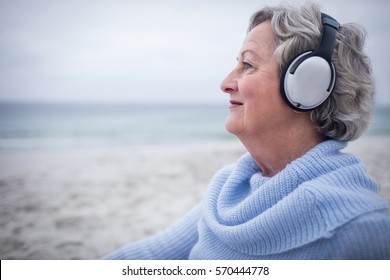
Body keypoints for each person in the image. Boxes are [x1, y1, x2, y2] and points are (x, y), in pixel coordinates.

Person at [101, 2, 390, 259]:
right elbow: (150, 256)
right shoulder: (231, 188)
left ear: (307, 85)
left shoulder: (363, 228)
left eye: (248, 64)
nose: (226, 83)